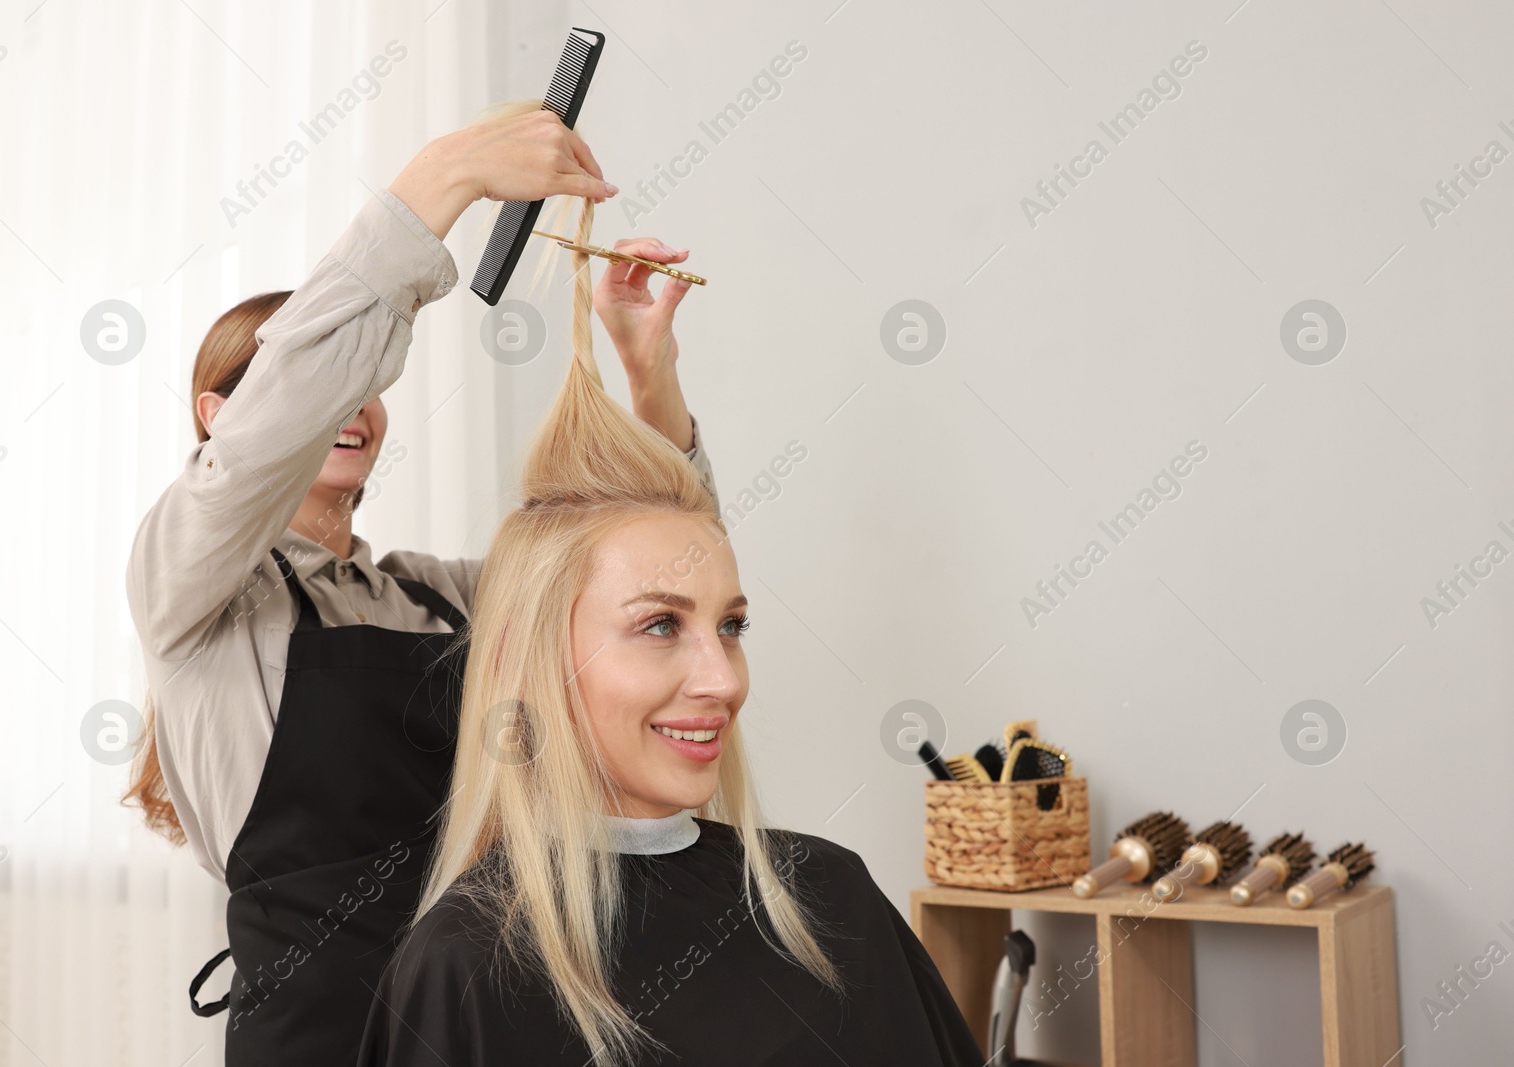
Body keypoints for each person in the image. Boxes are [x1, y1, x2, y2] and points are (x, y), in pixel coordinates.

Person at [122, 103, 718, 1066]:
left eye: (366, 387)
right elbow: (282, 416)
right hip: (315, 1035)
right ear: (216, 418)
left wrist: (649, 371)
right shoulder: (194, 593)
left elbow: (657, 582)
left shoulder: (436, 595)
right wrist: (441, 181)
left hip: (486, 1014)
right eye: (318, 385)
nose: (351, 404)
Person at [357, 195, 986, 1067]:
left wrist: (653, 376)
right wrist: (444, 180)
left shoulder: (827, 898)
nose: (723, 679)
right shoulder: (467, 970)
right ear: (528, 662)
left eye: (730, 627)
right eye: (659, 625)